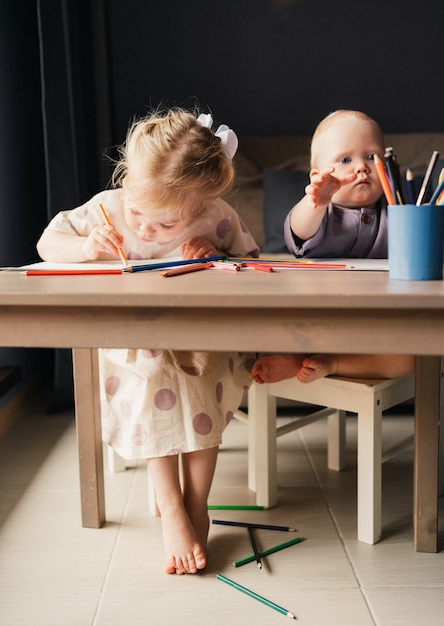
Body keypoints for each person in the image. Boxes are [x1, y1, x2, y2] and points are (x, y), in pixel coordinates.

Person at [37, 107, 259, 575]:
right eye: (139, 213)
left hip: (202, 343)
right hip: (133, 347)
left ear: (199, 207)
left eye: (164, 226)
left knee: (203, 374)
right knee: (152, 370)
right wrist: (83, 249)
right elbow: (46, 244)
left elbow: (252, 263)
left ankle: (197, 503)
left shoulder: (215, 216)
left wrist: (215, 255)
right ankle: (170, 504)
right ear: (129, 185)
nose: (143, 230)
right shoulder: (109, 208)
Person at [251, 110, 414, 385]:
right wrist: (316, 202)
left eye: (372, 157)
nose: (361, 166)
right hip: (318, 323)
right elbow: (299, 230)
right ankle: (297, 358)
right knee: (267, 329)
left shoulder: (397, 211)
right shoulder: (319, 214)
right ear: (318, 176)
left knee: (411, 359)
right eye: (346, 159)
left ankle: (333, 362)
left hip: (374, 327)